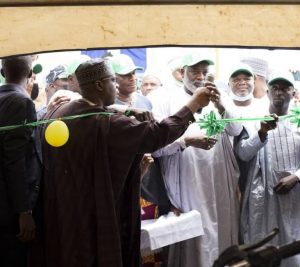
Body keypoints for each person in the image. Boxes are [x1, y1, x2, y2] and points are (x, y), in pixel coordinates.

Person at [32, 58, 215, 267]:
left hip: (67, 212)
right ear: (100, 85)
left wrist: (126, 110)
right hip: (97, 214)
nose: (117, 85)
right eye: (112, 80)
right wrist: (194, 104)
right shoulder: (108, 124)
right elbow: (157, 135)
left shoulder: (60, 112)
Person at [151, 53, 242, 267]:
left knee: (220, 235)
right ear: (182, 73)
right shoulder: (164, 99)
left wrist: (220, 104)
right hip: (188, 183)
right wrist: (187, 141)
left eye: (204, 72)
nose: (200, 77)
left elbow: (236, 129)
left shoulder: (219, 97)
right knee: (196, 241)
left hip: (218, 181)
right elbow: (155, 147)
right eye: (194, 72)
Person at [235, 71, 300, 267]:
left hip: (296, 198)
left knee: (296, 252)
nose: (279, 92)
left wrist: (297, 176)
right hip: (263, 198)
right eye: (276, 88)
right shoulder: (253, 120)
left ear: (293, 92)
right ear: (268, 91)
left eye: (285, 88)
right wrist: (261, 133)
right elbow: (242, 153)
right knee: (264, 249)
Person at [0, 56, 38, 267]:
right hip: (10, 212)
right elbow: (15, 160)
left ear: (3, 73)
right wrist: (24, 211)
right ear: (30, 74)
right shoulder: (21, 102)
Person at [228, 63, 266, 194]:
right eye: (236, 79)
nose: (242, 82)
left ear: (254, 80)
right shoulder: (223, 110)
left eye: (246, 79)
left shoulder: (264, 107)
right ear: (229, 83)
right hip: (229, 175)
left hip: (260, 178)